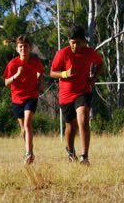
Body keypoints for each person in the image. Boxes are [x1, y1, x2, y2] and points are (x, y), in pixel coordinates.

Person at [50, 26, 103, 165]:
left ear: (83, 42)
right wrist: (64, 74)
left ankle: (84, 156)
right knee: (71, 127)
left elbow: (100, 63)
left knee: (84, 119)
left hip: (83, 91)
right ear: (68, 41)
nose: (75, 46)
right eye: (72, 42)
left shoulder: (89, 53)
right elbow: (52, 72)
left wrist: (93, 78)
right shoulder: (62, 54)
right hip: (66, 95)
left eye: (78, 43)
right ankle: (70, 150)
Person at [3, 36, 45, 165]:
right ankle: (29, 149)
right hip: (17, 98)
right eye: (21, 46)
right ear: (17, 49)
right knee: (23, 128)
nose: (23, 49)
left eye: (26, 46)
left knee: (27, 123)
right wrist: (16, 76)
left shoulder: (36, 61)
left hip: (31, 96)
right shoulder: (12, 64)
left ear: (30, 48)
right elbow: (6, 82)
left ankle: (28, 154)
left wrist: (39, 83)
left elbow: (40, 72)